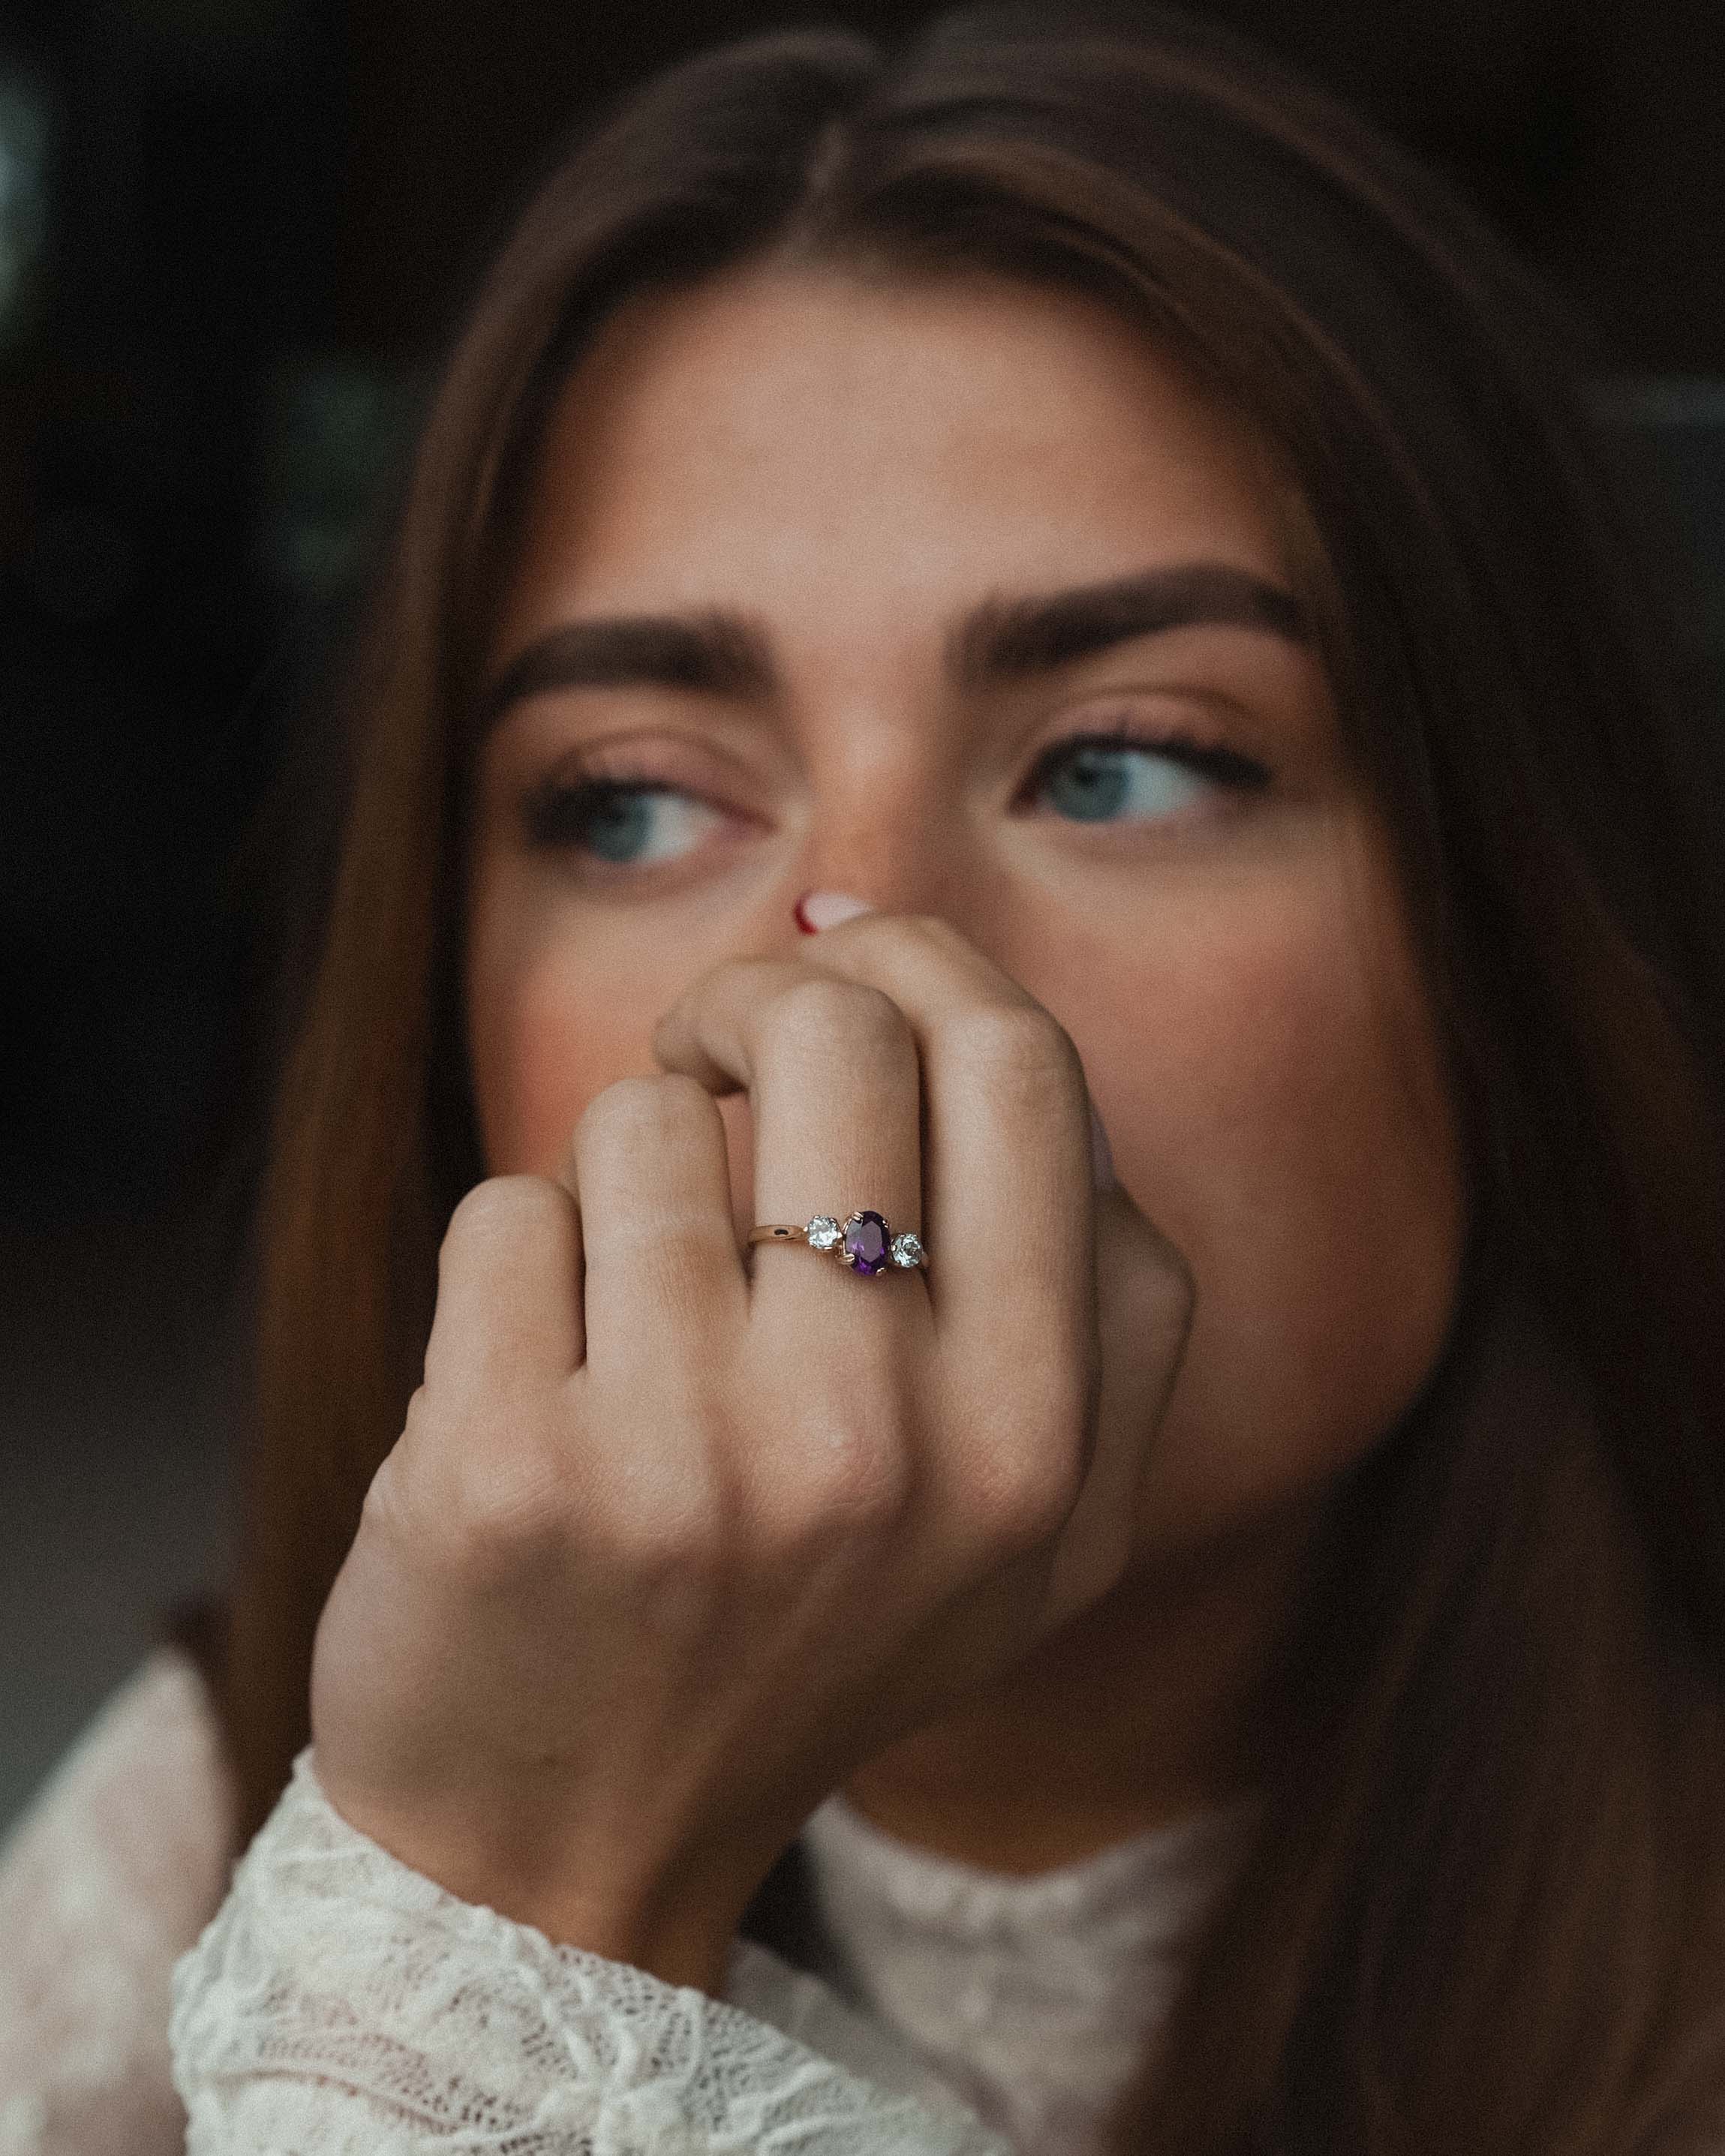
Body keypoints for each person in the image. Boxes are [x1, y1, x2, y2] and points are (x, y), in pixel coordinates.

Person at [5, 5, 1725, 2150]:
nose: (866, 966)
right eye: (630, 802)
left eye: (1129, 763)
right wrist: (497, 1906)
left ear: (1513, 935)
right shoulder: (213, 1829)